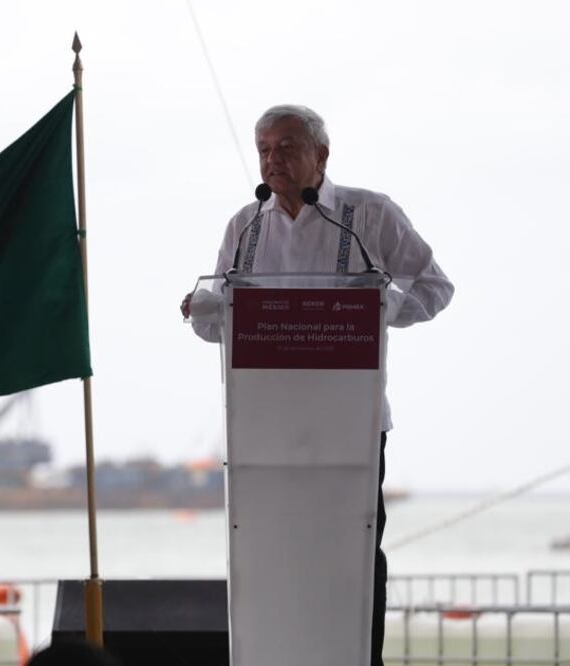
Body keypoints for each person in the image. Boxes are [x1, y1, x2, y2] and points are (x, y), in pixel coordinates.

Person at [182, 104, 454, 666]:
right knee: (272, 547)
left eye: (285, 147)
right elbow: (218, 325)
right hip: (264, 425)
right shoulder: (246, 226)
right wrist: (201, 308)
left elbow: (435, 287)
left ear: (321, 155)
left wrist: (376, 309)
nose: (271, 160)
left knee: (352, 549)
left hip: (351, 423)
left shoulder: (367, 214)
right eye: (263, 150)